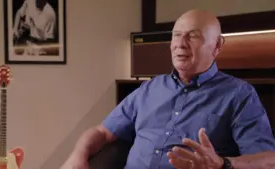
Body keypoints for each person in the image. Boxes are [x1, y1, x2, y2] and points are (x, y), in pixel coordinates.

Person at [60, 9, 275, 169]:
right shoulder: (150, 88)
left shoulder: (238, 94)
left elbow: (268, 160)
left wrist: (222, 163)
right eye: (176, 35)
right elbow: (102, 132)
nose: (180, 43)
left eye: (192, 35)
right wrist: (77, 156)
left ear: (217, 46)